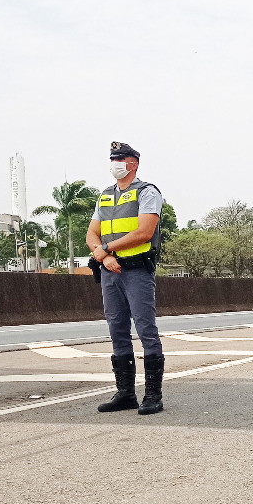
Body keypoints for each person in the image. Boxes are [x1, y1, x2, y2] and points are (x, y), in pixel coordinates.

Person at [86, 141, 167, 415]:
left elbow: (144, 232)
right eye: (112, 159)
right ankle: (126, 394)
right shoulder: (105, 196)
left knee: (146, 329)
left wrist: (107, 249)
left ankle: (153, 395)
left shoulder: (147, 193)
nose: (115, 164)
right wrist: (104, 256)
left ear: (133, 164)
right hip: (110, 271)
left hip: (136, 271)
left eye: (120, 159)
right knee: (117, 329)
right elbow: (91, 234)